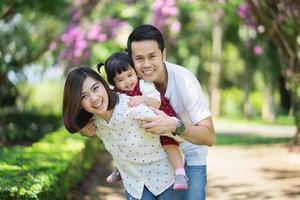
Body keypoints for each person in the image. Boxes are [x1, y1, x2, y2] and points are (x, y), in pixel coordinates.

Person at [62, 67, 185, 200]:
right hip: (135, 189)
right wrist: (83, 131)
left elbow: (179, 135)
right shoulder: (94, 122)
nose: (94, 98)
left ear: (104, 85)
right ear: (78, 103)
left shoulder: (132, 108)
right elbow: (74, 123)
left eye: (95, 88)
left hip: (166, 182)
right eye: (83, 96)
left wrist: (175, 126)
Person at [126, 24, 216, 200]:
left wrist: (175, 126)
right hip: (152, 154)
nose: (146, 65)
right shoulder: (128, 81)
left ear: (163, 54)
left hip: (190, 149)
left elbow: (209, 137)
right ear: (131, 60)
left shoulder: (184, 80)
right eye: (139, 59)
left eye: (152, 56)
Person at [98, 51, 188, 190]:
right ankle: (121, 170)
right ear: (114, 82)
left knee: (169, 144)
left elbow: (157, 102)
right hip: (139, 126)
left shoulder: (144, 85)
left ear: (135, 71)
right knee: (122, 142)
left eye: (129, 75)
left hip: (159, 119)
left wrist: (144, 99)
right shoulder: (114, 91)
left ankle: (180, 174)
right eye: (121, 80)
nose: (128, 82)